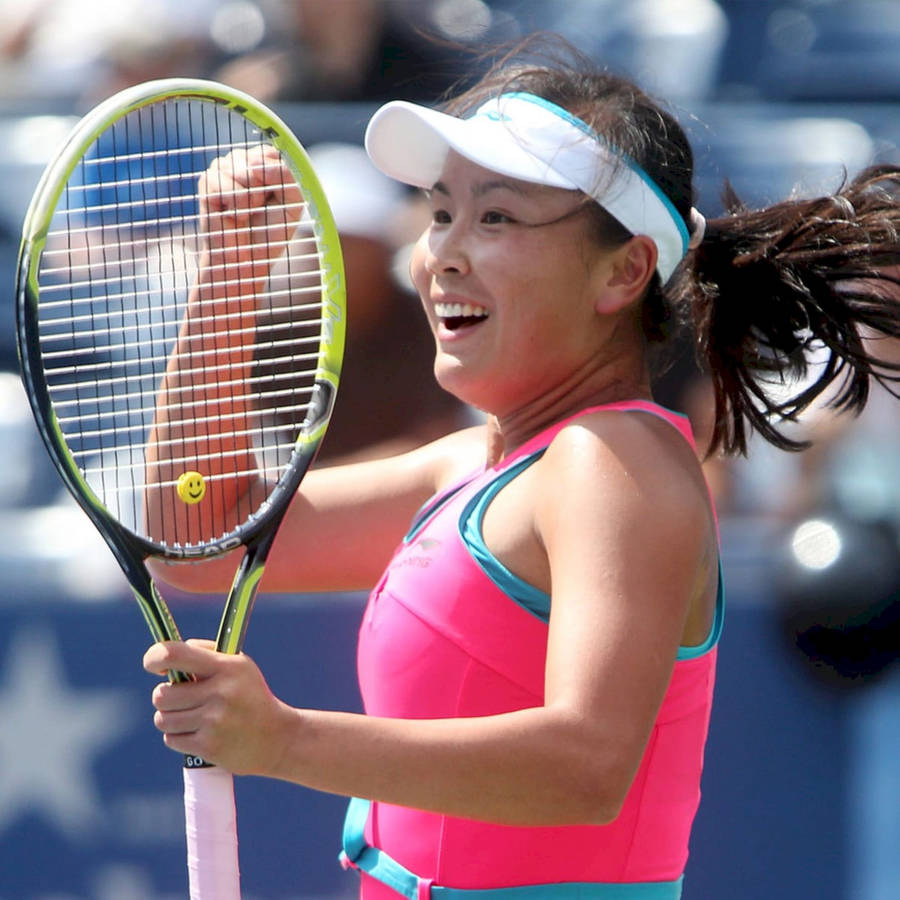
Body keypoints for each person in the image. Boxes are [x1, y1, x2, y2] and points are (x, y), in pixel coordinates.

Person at [141, 36, 900, 899]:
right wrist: (231, 282)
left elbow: (585, 766)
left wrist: (282, 740)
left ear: (623, 271)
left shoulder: (615, 464)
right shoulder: (474, 466)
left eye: (496, 217)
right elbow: (196, 540)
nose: (444, 254)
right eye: (440, 213)